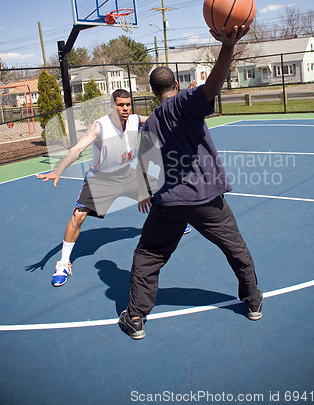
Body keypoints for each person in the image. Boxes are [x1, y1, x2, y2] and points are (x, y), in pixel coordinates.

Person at [119, 26, 263, 340]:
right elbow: (214, 83)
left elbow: (148, 168)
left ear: (153, 90)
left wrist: (146, 193)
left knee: (149, 255)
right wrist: (228, 45)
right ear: (176, 83)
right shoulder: (185, 103)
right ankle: (252, 301)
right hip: (206, 199)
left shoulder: (151, 121)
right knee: (235, 249)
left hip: (168, 203)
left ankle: (136, 316)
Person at [36, 90, 152, 286]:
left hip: (126, 173)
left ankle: (176, 222)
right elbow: (77, 149)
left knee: (159, 192)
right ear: (111, 106)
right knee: (78, 216)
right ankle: (63, 263)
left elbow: (162, 116)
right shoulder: (99, 127)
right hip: (101, 179)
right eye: (120, 104)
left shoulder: (135, 120)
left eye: (128, 104)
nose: (125, 108)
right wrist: (58, 170)